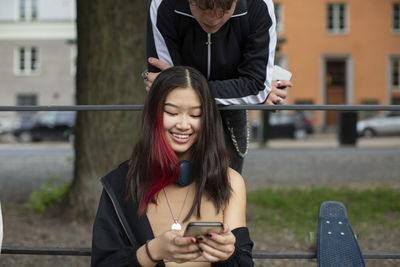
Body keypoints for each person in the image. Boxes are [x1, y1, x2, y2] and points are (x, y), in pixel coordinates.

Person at [91, 66, 253, 266]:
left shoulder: (231, 181)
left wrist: (230, 254)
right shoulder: (119, 183)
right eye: (171, 112)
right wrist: (152, 252)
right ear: (153, 115)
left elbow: (244, 262)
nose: (184, 124)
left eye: (195, 115)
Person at [143, 0, 293, 174]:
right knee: (173, 193)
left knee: (225, 194)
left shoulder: (258, 5)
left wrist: (183, 85)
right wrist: (247, 88)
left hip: (230, 123)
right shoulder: (163, 4)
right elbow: (165, 89)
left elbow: (257, 86)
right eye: (203, 7)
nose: (214, 18)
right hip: (177, 119)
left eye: (226, 8)